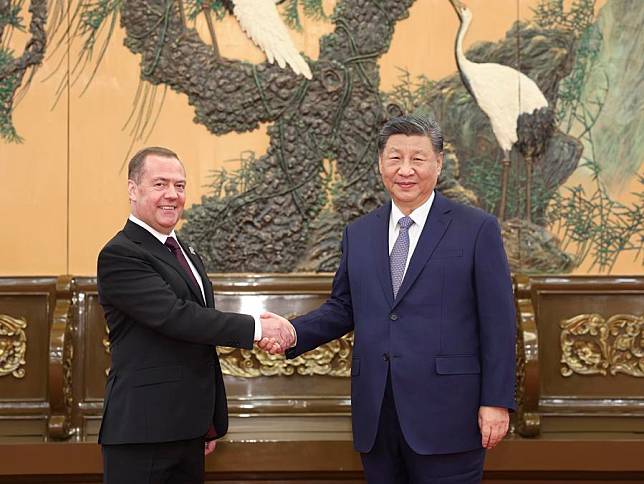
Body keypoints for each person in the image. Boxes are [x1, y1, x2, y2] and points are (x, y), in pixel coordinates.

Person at [260, 115, 516, 483]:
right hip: (377, 415)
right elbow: (344, 306)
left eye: (418, 158)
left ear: (439, 164)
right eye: (395, 158)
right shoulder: (359, 233)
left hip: (449, 415)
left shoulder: (477, 228)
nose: (406, 170)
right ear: (380, 163)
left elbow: (498, 322)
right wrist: (292, 331)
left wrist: (496, 401)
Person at [97, 147, 291, 484]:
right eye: (160, 184)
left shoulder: (185, 251)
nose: (172, 195)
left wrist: (209, 421)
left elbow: (198, 339)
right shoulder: (121, 254)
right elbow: (178, 318)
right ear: (133, 189)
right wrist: (258, 327)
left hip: (186, 429)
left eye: (180, 185)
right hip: (143, 432)